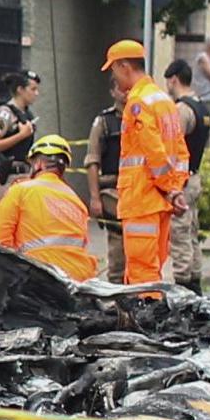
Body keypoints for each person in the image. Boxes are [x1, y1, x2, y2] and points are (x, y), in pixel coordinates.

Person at [102, 40, 189, 288]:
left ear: (124, 66)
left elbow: (154, 152)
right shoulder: (164, 100)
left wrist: (169, 188)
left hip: (142, 199)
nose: (114, 77)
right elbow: (181, 152)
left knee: (142, 274)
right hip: (161, 202)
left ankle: (146, 321)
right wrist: (175, 189)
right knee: (154, 268)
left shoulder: (138, 103)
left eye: (113, 70)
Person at [0, 134, 96, 281]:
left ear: (38, 164)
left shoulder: (20, 190)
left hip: (39, 275)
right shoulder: (77, 202)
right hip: (78, 278)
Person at [164, 59, 209, 292]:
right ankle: (195, 281)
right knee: (192, 232)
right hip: (195, 176)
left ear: (174, 79)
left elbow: (174, 146)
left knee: (180, 234)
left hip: (182, 180)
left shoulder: (182, 110)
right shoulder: (202, 107)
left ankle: (184, 288)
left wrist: (170, 185)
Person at [86, 85, 127, 281]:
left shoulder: (144, 117)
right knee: (118, 253)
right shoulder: (105, 122)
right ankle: (117, 300)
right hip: (113, 192)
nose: (125, 92)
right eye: (120, 88)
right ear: (112, 92)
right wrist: (94, 198)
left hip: (140, 193)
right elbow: (92, 160)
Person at [0, 69, 42, 202]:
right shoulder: (5, 113)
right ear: (20, 90)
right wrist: (21, 135)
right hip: (8, 177)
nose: (36, 93)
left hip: (25, 175)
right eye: (33, 89)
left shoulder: (28, 115)